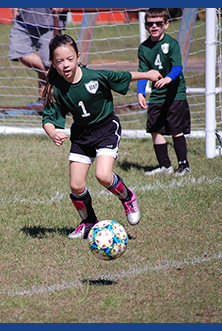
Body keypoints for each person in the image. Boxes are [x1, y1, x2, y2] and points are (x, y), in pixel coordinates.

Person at [41, 34, 162, 239]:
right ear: (52, 63)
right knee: (76, 185)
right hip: (81, 135)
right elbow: (48, 118)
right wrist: (53, 133)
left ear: (78, 57)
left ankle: (127, 197)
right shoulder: (56, 88)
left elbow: (122, 77)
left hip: (106, 129)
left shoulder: (95, 77)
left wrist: (148, 74)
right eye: (59, 61)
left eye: (70, 59)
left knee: (103, 176)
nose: (65, 65)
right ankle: (88, 222)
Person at [137, 8, 191, 176]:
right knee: (155, 128)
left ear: (166, 24)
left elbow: (177, 67)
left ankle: (184, 166)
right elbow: (143, 72)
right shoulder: (144, 48)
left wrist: (168, 78)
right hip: (157, 95)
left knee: (175, 129)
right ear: (146, 26)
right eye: (150, 23)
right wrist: (140, 92)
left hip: (175, 94)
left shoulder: (172, 44)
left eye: (158, 23)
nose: (154, 26)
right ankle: (165, 166)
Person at [8, 8, 66, 101]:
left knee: (49, 62)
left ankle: (43, 99)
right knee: (17, 51)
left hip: (50, 23)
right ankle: (49, 79)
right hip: (23, 21)